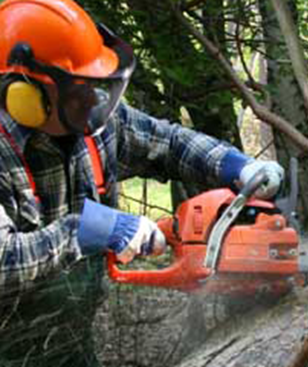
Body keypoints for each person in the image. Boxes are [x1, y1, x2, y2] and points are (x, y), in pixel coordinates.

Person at [0, 0, 284, 366]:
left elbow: (169, 143)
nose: (92, 101)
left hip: (68, 345)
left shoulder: (93, 124)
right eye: (77, 91)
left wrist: (236, 166)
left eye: (95, 86)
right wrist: (85, 230)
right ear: (23, 96)